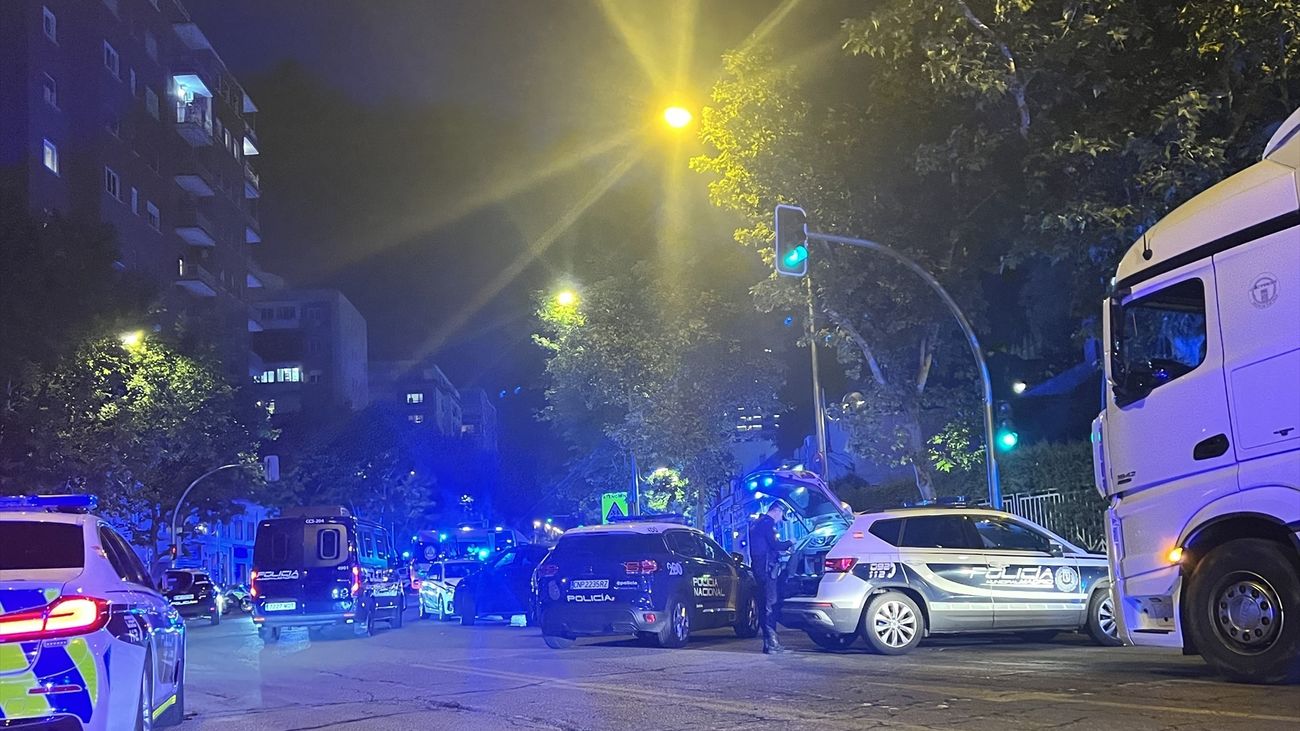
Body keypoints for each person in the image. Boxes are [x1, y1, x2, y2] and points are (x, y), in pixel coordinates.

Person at [748, 501, 794, 654]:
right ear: (777, 511)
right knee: (771, 605)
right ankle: (772, 643)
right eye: (782, 516)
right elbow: (775, 545)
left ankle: (768, 644)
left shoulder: (756, 524)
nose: (781, 520)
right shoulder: (768, 523)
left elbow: (763, 548)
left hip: (759, 570)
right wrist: (790, 543)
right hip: (768, 571)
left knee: (763, 604)